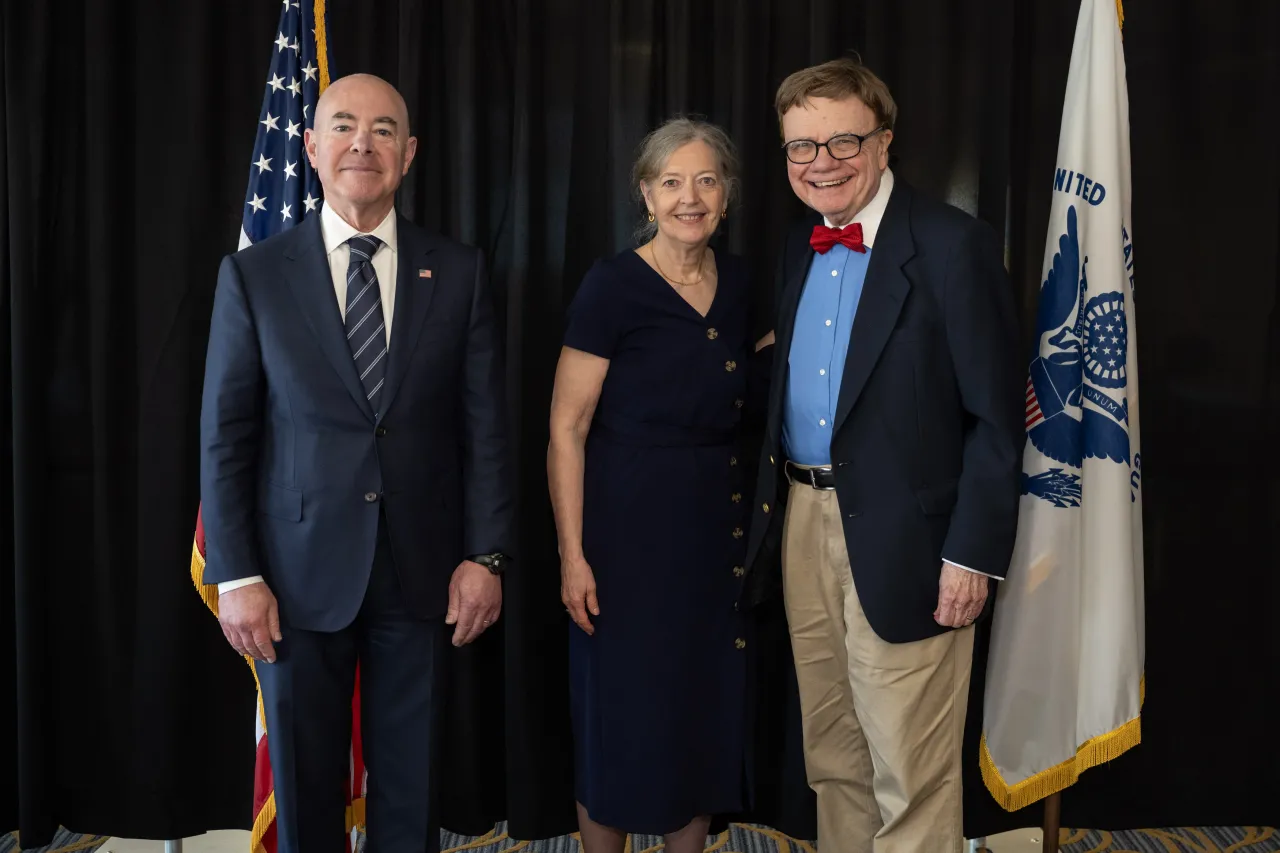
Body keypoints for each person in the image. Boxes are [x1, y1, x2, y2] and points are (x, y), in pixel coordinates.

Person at [199, 73, 514, 853]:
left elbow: (486, 429)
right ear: (310, 146)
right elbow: (226, 433)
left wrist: (487, 555)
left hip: (424, 573)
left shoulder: (461, 271)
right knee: (307, 788)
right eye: (343, 126)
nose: (362, 145)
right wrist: (235, 575)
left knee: (411, 785)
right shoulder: (255, 275)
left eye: (382, 130)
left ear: (408, 154)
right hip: (293, 578)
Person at [742, 58, 1024, 852]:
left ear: (885, 141)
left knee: (910, 763)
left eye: (843, 141)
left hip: (913, 539)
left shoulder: (952, 245)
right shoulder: (801, 246)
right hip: (803, 517)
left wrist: (972, 553)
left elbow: (997, 421)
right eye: (801, 146)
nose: (821, 162)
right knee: (833, 752)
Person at [547, 118, 769, 853]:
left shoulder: (742, 285)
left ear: (727, 194)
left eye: (706, 179)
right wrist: (572, 555)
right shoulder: (611, 286)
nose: (690, 197)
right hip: (622, 538)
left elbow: (774, 390)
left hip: (715, 534)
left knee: (697, 717)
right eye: (672, 181)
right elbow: (567, 430)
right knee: (619, 722)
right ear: (646, 194)